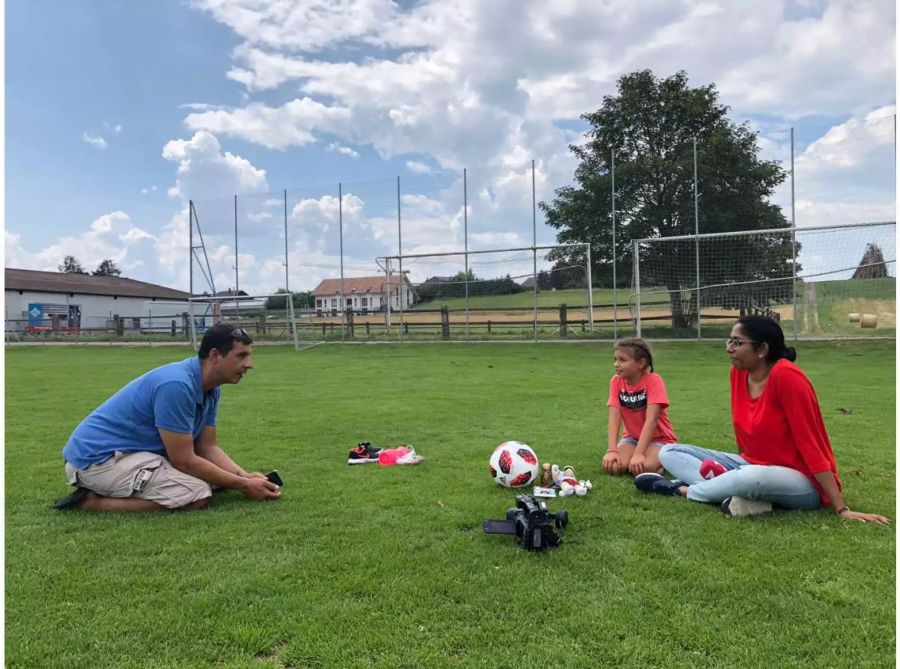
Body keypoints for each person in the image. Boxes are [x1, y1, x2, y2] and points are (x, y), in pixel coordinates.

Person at [634, 316, 889, 524]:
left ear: (762, 350)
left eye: (737, 342)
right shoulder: (738, 374)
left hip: (802, 482)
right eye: (730, 341)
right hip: (751, 463)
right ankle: (732, 493)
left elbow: (812, 444)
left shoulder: (788, 378)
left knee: (749, 478)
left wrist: (841, 508)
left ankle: (683, 490)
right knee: (669, 452)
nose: (729, 348)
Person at [52, 322, 281, 512]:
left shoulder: (211, 388)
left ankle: (115, 489)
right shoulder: (177, 385)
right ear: (215, 356)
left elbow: (207, 447)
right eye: (241, 356)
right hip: (98, 460)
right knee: (196, 495)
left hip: (135, 455)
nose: (249, 365)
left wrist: (244, 476)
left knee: (215, 480)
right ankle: (91, 502)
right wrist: (243, 485)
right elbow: (183, 459)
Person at [603, 337, 679, 477]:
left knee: (643, 467)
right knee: (614, 467)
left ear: (641, 363)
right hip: (632, 438)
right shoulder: (616, 382)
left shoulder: (654, 380)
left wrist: (638, 454)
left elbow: (652, 420)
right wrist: (612, 450)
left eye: (622, 360)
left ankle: (663, 462)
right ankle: (649, 460)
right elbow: (614, 416)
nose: (616, 364)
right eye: (615, 359)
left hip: (659, 439)